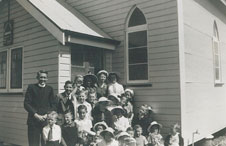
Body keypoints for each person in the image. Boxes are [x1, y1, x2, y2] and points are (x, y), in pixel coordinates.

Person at [24, 70, 57, 146]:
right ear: (37, 77)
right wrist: (36, 115)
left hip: (46, 121)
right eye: (41, 77)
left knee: (46, 143)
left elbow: (53, 105)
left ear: (47, 79)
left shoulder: (50, 89)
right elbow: (26, 103)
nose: (43, 79)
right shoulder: (31, 88)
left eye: (45, 77)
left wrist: (46, 115)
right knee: (33, 143)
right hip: (33, 121)